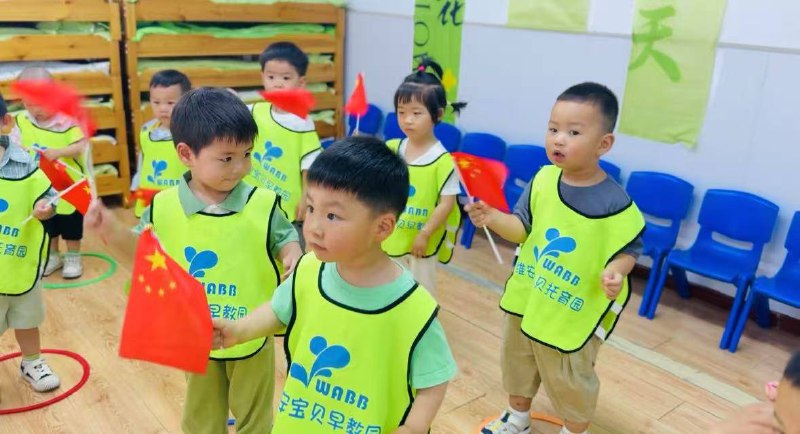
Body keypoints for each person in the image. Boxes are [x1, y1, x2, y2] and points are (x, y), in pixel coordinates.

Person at [85, 87, 303, 433]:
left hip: (250, 331)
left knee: (254, 418)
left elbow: (285, 236)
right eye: (226, 158)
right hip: (195, 336)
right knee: (202, 415)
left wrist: (292, 254)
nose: (241, 167)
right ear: (186, 154)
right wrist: (111, 231)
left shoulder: (263, 202)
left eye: (247, 154)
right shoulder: (164, 206)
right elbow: (142, 256)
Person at [213, 137, 457, 434]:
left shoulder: (413, 306)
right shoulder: (308, 270)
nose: (313, 227)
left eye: (332, 216)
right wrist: (239, 330)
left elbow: (434, 377)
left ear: (382, 227)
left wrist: (414, 427)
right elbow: (278, 310)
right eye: (311, 208)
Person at [470, 83, 645, 434]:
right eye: (553, 129)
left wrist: (616, 271)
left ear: (604, 144)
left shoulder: (616, 203)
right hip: (532, 295)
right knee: (518, 360)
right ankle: (517, 418)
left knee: (570, 377)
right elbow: (521, 228)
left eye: (573, 132)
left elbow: (628, 250)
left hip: (571, 307)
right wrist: (493, 218)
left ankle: (574, 430)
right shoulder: (542, 180)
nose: (558, 140)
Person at [381, 57, 463, 294]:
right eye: (401, 112)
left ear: (438, 114)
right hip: (392, 234)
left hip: (422, 239)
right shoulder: (392, 148)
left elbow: (447, 204)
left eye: (416, 113)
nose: (407, 120)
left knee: (421, 291)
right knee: (389, 286)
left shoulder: (443, 161)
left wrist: (424, 233)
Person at [0, 90, 62, 393]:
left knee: (27, 317)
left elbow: (51, 198)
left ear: (5, 123)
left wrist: (45, 208)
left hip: (20, 259)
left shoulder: (26, 163)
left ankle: (32, 362)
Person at [12, 66, 87, 279]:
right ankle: (53, 255)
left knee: (70, 222)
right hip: (40, 184)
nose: (35, 110)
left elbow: (81, 145)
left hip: (68, 184)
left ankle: (73, 256)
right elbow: (15, 143)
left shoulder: (67, 120)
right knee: (47, 222)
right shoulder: (22, 121)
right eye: (29, 104)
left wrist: (60, 152)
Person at [248, 41, 322, 241]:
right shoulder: (254, 111)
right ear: (262, 77)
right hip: (252, 198)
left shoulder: (302, 122)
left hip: (286, 205)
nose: (277, 83)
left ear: (301, 82)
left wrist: (306, 197)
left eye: (286, 78)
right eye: (271, 77)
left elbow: (309, 165)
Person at [131, 69, 191, 217]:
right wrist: (135, 185)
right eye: (156, 102)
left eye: (170, 103)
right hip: (149, 198)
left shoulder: (192, 132)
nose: (163, 108)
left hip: (179, 202)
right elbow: (142, 162)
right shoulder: (146, 131)